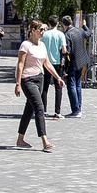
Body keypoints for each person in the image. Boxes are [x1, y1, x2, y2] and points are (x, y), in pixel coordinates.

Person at [15, 20, 64, 152]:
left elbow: (47, 63)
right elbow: (20, 64)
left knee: (29, 110)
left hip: (39, 79)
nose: (42, 32)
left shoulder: (42, 45)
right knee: (39, 108)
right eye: (40, 30)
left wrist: (57, 77)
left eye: (43, 30)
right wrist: (18, 83)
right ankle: (45, 141)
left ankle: (20, 139)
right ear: (32, 30)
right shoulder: (25, 45)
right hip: (28, 80)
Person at [63, 15, 90, 117]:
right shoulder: (79, 30)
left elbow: (67, 51)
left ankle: (75, 110)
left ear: (63, 24)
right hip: (82, 60)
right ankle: (79, 108)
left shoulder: (67, 34)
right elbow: (88, 34)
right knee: (78, 84)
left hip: (73, 61)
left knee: (72, 85)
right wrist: (85, 26)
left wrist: (64, 65)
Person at [40, 17, 67, 119]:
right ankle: (57, 112)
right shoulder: (61, 34)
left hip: (45, 62)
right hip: (57, 63)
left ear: (48, 23)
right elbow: (64, 50)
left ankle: (44, 110)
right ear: (58, 23)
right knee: (58, 87)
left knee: (44, 87)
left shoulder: (44, 34)